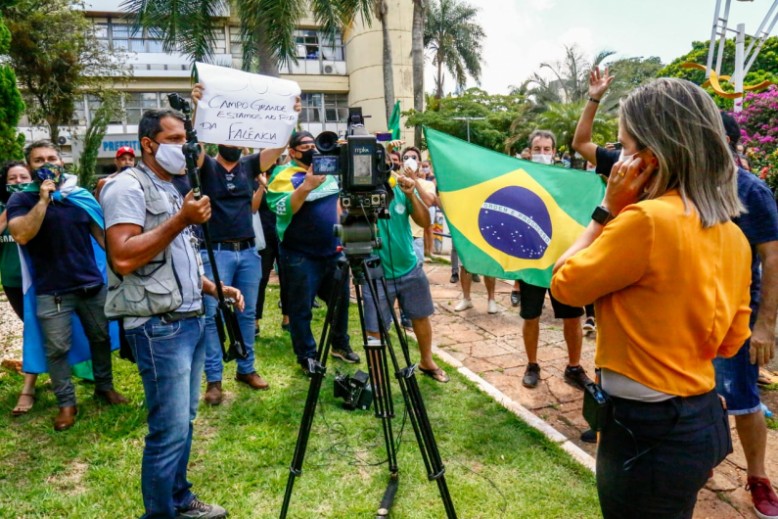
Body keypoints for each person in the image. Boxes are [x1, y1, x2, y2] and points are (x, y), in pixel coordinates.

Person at [551, 78, 752, 518]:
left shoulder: (643, 221)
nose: (619, 159)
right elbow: (730, 343)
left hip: (646, 429)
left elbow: (563, 283)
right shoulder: (733, 235)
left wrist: (606, 209)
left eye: (624, 147)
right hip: (699, 419)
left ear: (651, 156)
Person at [102, 108, 243, 519]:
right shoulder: (126, 188)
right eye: (177, 139)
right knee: (168, 430)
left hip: (191, 319)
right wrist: (182, 218)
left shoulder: (168, 186)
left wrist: (215, 287)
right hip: (159, 328)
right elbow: (123, 258)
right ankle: (161, 513)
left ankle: (180, 500)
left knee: (185, 421)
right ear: (149, 144)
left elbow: (176, 260)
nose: (186, 147)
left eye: (187, 138)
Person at [190, 83, 299, 404]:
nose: (234, 142)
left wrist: (289, 117)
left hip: (248, 252)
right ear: (219, 137)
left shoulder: (249, 166)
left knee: (247, 313)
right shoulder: (206, 165)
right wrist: (197, 107)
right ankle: (213, 380)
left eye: (239, 137)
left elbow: (277, 146)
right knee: (211, 314)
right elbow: (192, 145)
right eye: (228, 136)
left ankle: (246, 368)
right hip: (214, 253)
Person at [7, 141, 126, 431]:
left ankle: (104, 387)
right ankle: (66, 404)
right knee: (57, 349)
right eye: (38, 160)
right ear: (30, 166)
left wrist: (124, 265)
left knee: (100, 338)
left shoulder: (79, 196)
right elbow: (22, 235)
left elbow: (101, 236)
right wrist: (44, 201)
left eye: (52, 158)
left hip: (89, 284)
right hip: (52, 290)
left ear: (62, 162)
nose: (47, 163)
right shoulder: (22, 200)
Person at [715, 112, 778, 519]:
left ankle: (758, 478)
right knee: (701, 393)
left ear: (727, 139)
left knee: (743, 397)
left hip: (739, 311)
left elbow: (773, 257)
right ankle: (701, 460)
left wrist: (765, 325)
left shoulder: (750, 189)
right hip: (694, 309)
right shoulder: (689, 183)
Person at [266, 131, 359, 371]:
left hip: (332, 250)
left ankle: (340, 345)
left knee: (340, 303)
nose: (312, 149)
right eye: (305, 146)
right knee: (301, 309)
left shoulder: (328, 171)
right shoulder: (282, 175)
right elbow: (283, 208)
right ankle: (307, 355)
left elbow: (339, 202)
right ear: (293, 151)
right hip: (300, 255)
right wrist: (306, 187)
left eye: (313, 144)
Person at [362, 154, 448, 383]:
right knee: (374, 327)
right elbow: (346, 228)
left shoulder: (400, 188)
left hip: (410, 268)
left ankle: (426, 361)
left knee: (420, 316)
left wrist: (412, 194)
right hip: (375, 274)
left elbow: (424, 222)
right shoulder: (357, 194)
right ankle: (377, 375)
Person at [519, 130, 590, 390]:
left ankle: (573, 367)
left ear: (554, 152)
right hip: (531, 261)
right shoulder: (521, 178)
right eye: (537, 148)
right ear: (529, 151)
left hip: (562, 260)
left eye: (547, 149)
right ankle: (532, 364)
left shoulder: (566, 180)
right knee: (531, 316)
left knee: (572, 316)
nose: (542, 153)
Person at [1, 161, 37, 415]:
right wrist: (9, 208)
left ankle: (29, 388)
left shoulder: (38, 205)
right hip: (13, 280)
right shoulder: (3, 207)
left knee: (34, 330)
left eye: (23, 177)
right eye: (12, 178)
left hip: (40, 279)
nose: (17, 182)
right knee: (32, 328)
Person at [255, 155, 290, 336]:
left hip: (284, 236)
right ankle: (255, 321)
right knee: (261, 280)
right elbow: (252, 206)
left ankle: (287, 318)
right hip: (264, 239)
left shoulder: (284, 178)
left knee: (287, 278)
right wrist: (261, 185)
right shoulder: (253, 180)